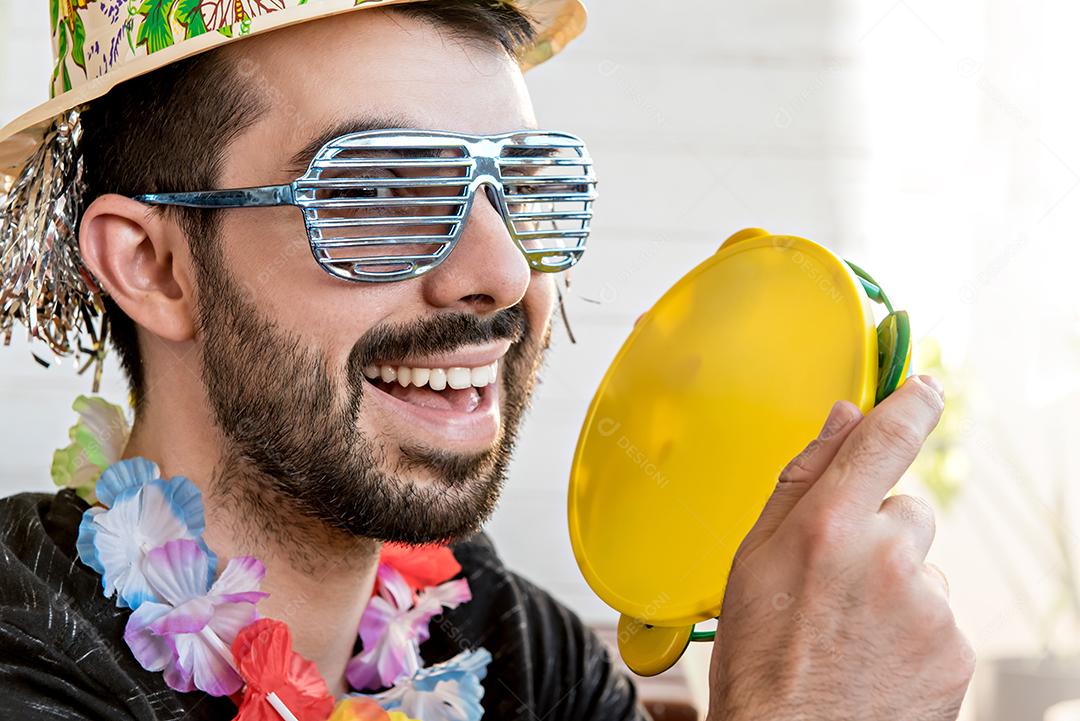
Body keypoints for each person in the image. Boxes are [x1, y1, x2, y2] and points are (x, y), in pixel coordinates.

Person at [0, 0, 974, 719]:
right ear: (154, 266)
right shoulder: (24, 659)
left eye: (522, 186)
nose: (503, 272)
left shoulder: (515, 652)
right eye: (379, 189)